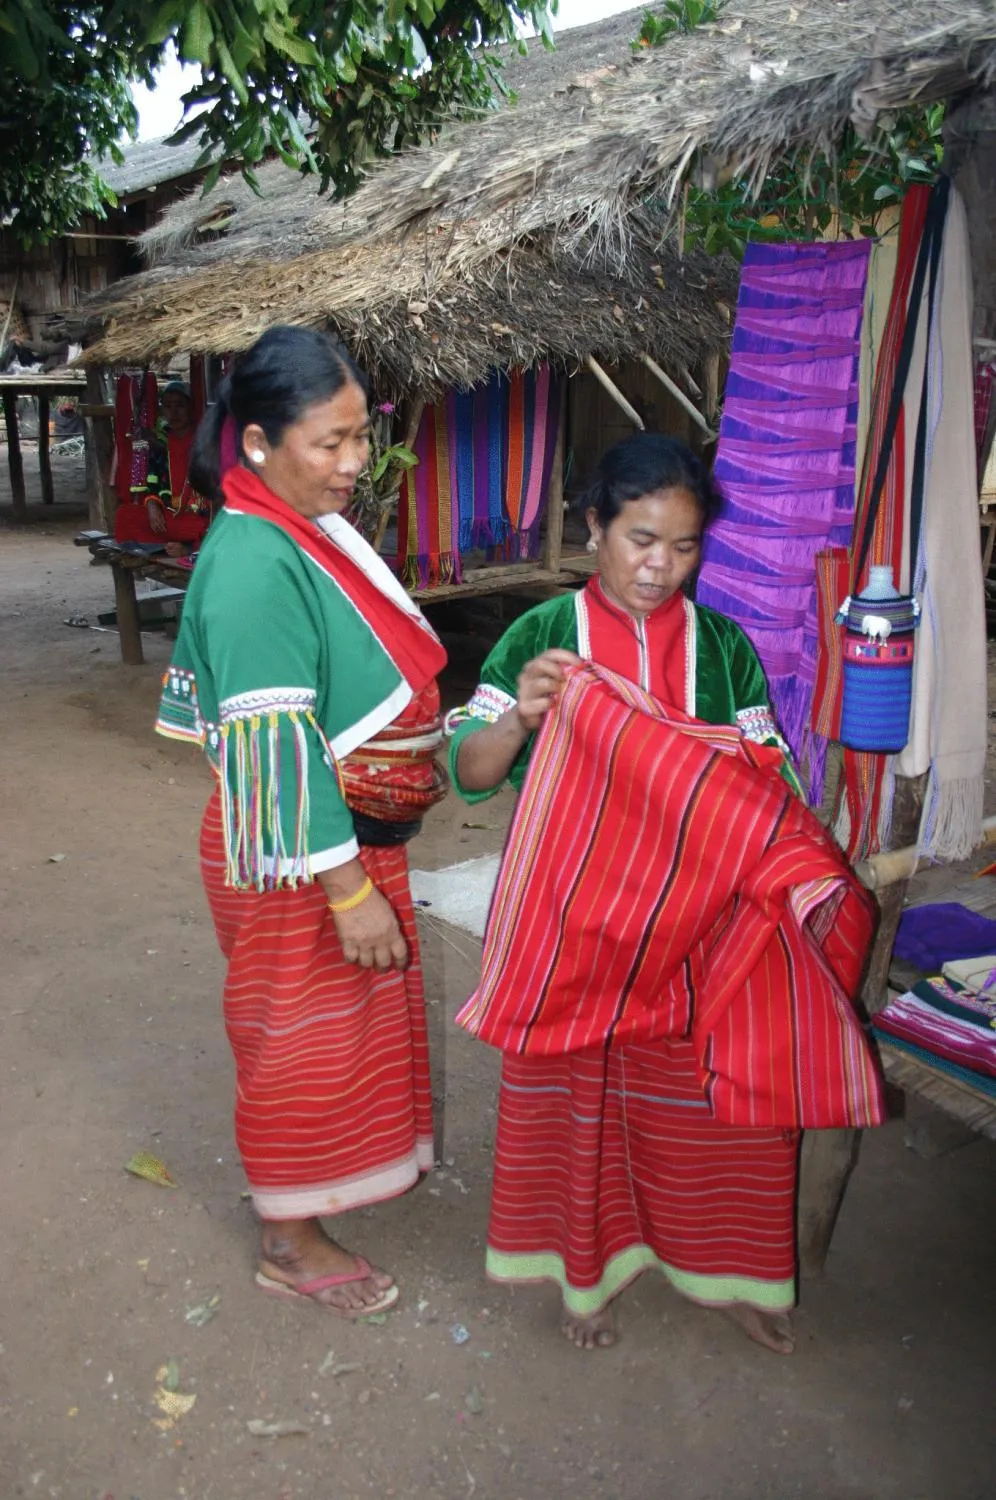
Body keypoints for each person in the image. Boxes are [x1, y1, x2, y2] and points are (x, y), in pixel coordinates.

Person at [448, 434, 852, 1356]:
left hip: (698, 921)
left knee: (722, 1104)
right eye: (640, 539)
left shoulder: (722, 647)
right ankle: (581, 1278)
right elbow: (467, 773)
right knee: (577, 1103)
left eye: (684, 545)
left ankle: (738, 1274)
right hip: (575, 918)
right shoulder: (541, 639)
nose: (660, 567)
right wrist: (520, 714)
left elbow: (769, 786)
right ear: (595, 526)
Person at [156, 327, 448, 1316]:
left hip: (328, 846)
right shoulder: (251, 561)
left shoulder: (284, 524)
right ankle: (289, 1243)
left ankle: (317, 1197)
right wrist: (349, 889)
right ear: (254, 444)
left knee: (334, 1035)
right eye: (331, 441)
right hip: (302, 860)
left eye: (362, 435)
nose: (356, 461)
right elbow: (270, 741)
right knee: (298, 1042)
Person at [114, 380, 212, 555]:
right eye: (168, 406)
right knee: (125, 515)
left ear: (191, 408)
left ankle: (187, 548)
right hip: (169, 516)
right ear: (162, 411)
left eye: (180, 406)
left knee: (204, 527)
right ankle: (171, 546)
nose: (174, 413)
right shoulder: (161, 443)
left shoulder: (203, 441)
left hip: (196, 515)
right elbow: (152, 480)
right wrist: (152, 506)